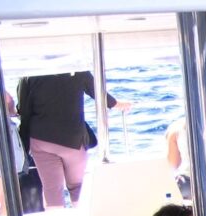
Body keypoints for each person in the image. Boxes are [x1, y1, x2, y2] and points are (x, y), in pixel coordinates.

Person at [16, 71, 131, 207]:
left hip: (41, 139)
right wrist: (117, 104)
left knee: (52, 189)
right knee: (77, 187)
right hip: (72, 139)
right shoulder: (77, 70)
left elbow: (22, 108)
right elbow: (100, 95)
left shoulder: (29, 74)